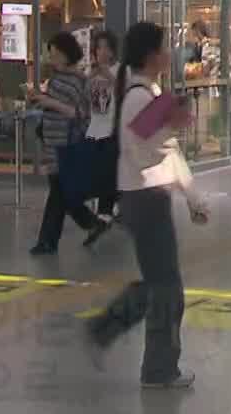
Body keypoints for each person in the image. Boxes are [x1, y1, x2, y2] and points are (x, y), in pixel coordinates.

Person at [83, 22, 209, 389]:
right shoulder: (140, 97)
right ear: (153, 55)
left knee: (159, 282)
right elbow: (144, 154)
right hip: (144, 197)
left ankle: (106, 330)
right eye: (166, 47)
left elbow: (164, 151)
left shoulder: (149, 91)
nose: (171, 53)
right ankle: (157, 368)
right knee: (167, 288)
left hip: (147, 195)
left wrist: (192, 197)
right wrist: (172, 127)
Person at [27, 33, 113, 256]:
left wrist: (50, 102)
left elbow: (83, 113)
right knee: (63, 191)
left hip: (66, 143)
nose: (52, 58)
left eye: (55, 53)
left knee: (59, 191)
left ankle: (48, 241)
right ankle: (91, 222)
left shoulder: (81, 81)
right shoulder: (58, 79)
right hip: (53, 141)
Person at [85, 30, 121, 218]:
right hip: (93, 129)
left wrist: (109, 75)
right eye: (99, 47)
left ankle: (105, 212)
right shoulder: (91, 72)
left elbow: (125, 93)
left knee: (108, 173)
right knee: (96, 173)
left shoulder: (120, 70)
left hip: (111, 130)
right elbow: (83, 97)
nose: (102, 52)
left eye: (106, 47)